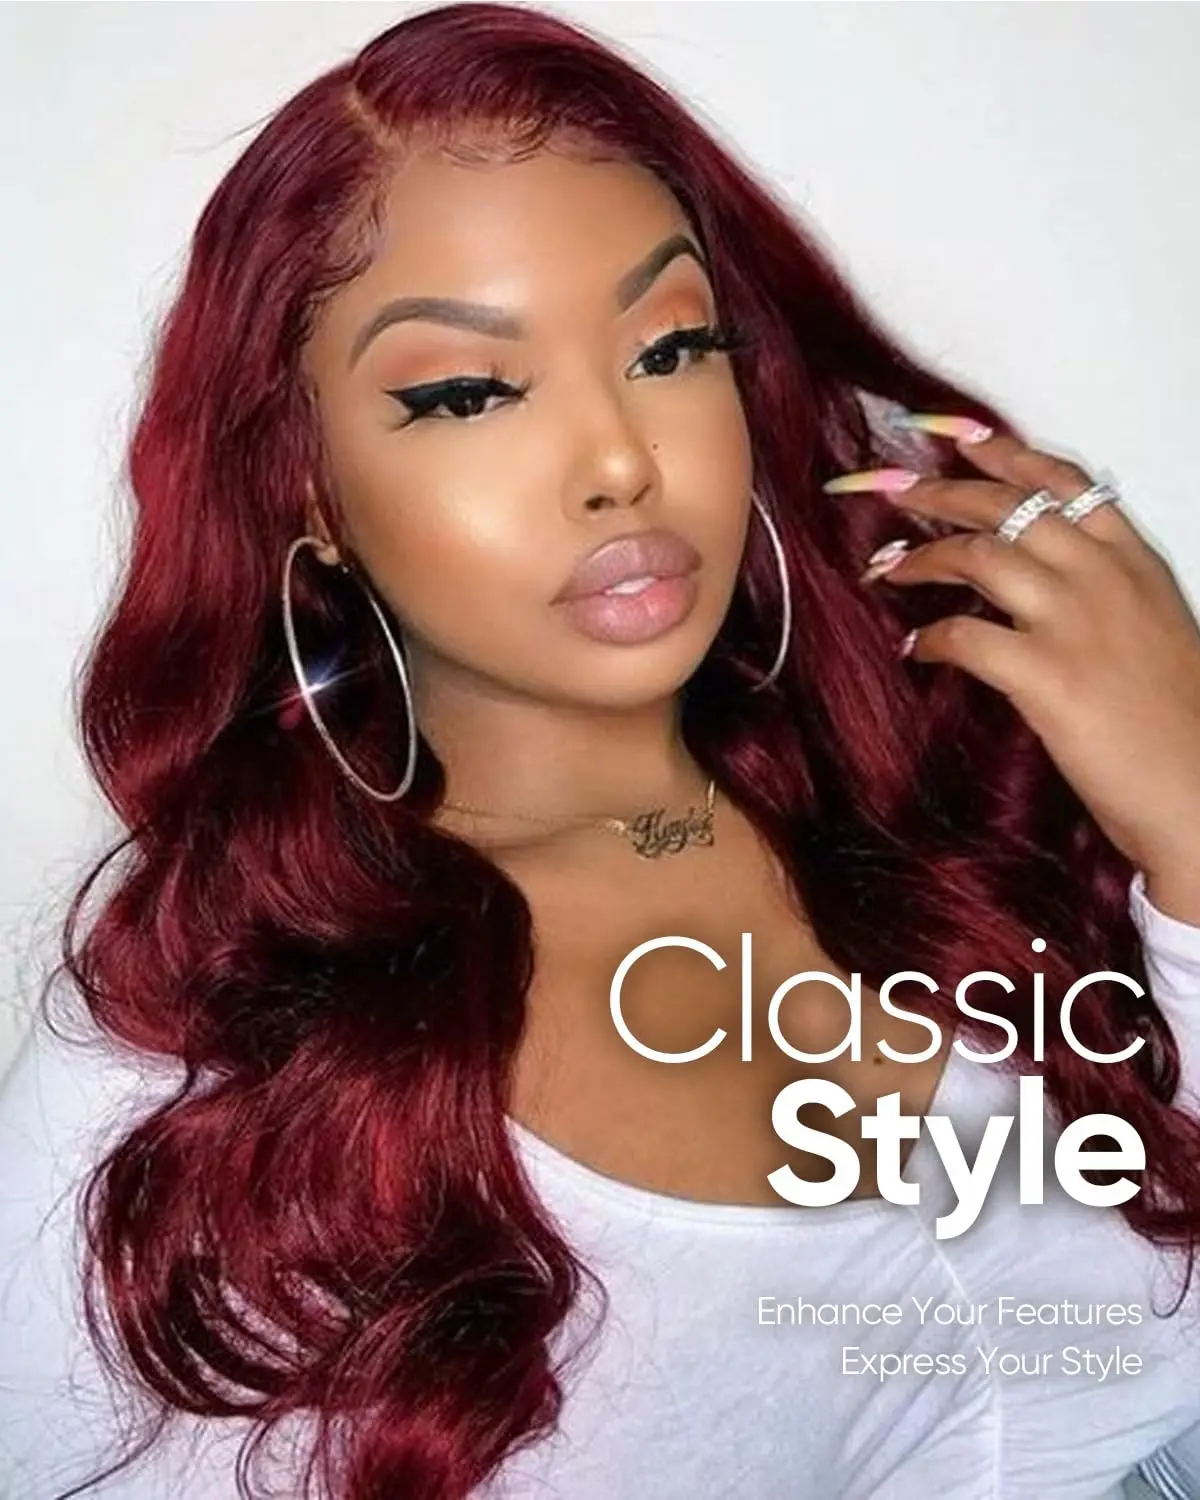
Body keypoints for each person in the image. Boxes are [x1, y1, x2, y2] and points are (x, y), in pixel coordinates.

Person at [3, 3, 1200, 1497]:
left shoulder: (961, 772)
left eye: (671, 346)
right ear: (304, 488)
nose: (623, 461)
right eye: (466, 392)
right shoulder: (193, 1063)